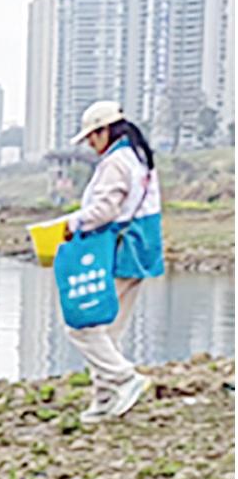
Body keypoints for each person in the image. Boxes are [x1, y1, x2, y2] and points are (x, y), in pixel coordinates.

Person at [63, 100, 163, 423]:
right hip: (141, 247)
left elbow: (105, 210)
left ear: (105, 130)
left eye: (92, 137)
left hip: (120, 248)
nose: (90, 144)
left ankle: (123, 378)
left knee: (82, 325)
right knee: (109, 329)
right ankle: (105, 399)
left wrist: (72, 224)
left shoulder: (116, 163)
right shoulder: (138, 158)